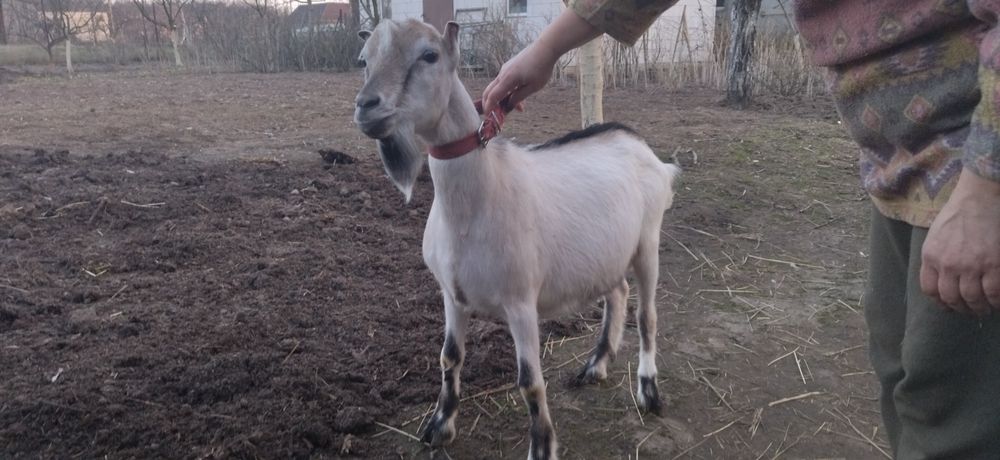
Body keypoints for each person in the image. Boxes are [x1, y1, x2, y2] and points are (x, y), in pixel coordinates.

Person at [482, 1, 1000, 458]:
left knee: (949, 408)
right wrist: (548, 47)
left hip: (970, 164)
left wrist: (985, 188)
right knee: (898, 372)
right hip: (897, 173)